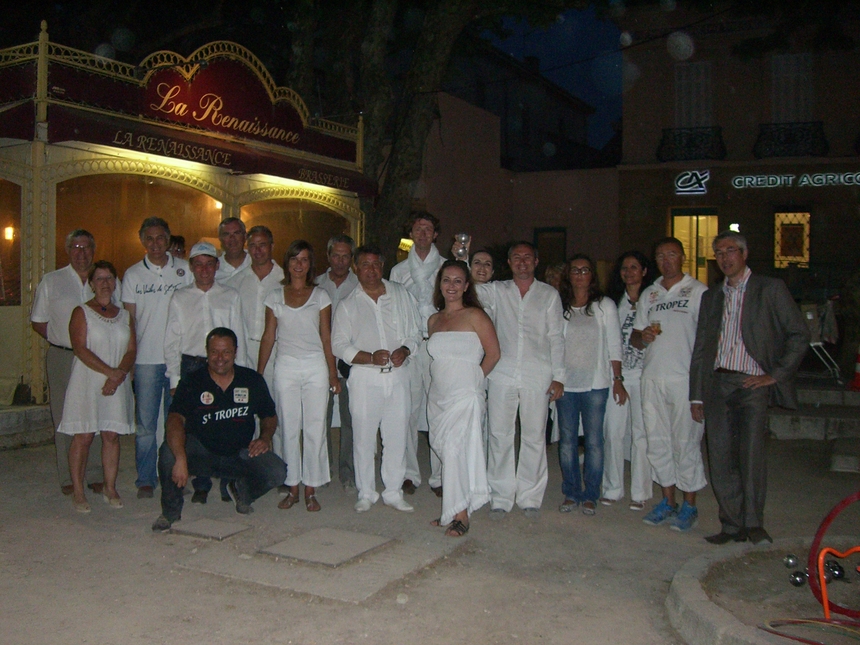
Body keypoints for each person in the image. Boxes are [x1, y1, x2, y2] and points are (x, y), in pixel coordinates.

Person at [690, 231, 809, 545]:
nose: (724, 257)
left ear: (744, 253)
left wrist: (774, 375)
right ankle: (730, 525)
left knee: (751, 456)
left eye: (730, 250)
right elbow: (702, 347)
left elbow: (798, 334)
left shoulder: (769, 289)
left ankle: (754, 524)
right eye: (718, 252)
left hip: (751, 383)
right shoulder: (712, 296)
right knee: (719, 456)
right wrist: (697, 393)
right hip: (718, 383)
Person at [152, 328, 286, 531]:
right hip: (200, 453)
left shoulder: (251, 380)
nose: (220, 358)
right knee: (168, 453)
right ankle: (170, 512)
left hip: (239, 453)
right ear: (207, 351)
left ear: (235, 352)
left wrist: (265, 438)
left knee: (277, 470)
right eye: (214, 352)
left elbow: (269, 415)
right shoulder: (192, 380)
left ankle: (241, 491)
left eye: (226, 352)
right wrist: (181, 457)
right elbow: (174, 419)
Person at [477, 242, 565, 518]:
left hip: (537, 374)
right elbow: (471, 288)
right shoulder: (498, 290)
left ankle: (530, 496)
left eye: (528, 257)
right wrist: (463, 257)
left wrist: (559, 376)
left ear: (536, 261)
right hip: (502, 372)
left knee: (534, 436)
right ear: (509, 261)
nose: (522, 262)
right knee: (499, 434)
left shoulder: (549, 294)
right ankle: (500, 496)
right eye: (517, 257)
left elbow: (556, 337)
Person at [331, 245, 421, 513]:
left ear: (382, 266)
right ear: (356, 269)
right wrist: (369, 357)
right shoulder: (348, 305)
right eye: (365, 264)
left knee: (396, 436)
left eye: (376, 264)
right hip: (364, 378)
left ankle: (393, 491)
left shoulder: (401, 296)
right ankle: (366, 492)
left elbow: (415, 333)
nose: (371, 269)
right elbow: (339, 345)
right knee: (364, 438)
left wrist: (405, 350)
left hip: (398, 376)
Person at [31, 229, 116, 495]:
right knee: (66, 416)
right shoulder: (52, 280)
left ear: (94, 249)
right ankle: (68, 477)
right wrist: (65, 341)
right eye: (76, 247)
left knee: (96, 414)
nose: (81, 252)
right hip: (64, 357)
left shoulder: (106, 279)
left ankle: (94, 474)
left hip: (101, 358)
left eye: (87, 247)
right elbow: (38, 321)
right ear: (68, 251)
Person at [631, 237, 708, 533]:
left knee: (685, 442)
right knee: (657, 440)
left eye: (672, 254)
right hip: (652, 378)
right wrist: (643, 337)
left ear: (683, 257)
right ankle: (668, 501)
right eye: (660, 255)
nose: (666, 260)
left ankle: (690, 505)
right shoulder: (649, 293)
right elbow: (636, 338)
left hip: (684, 379)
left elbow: (706, 338)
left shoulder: (697, 291)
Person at [163, 241, 247, 503]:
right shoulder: (180, 297)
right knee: (194, 428)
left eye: (209, 263)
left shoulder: (230, 295)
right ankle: (200, 483)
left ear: (216, 265)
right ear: (191, 267)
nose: (204, 269)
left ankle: (228, 482)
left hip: (224, 365)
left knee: (228, 423)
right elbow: (172, 341)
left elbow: (238, 336)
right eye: (198, 264)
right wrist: (175, 379)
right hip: (193, 365)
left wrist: (240, 373)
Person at [258, 240, 339, 512]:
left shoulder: (321, 296)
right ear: (287, 262)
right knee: (288, 428)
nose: (299, 264)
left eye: (304, 259)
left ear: (310, 264)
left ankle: (312, 488)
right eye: (294, 259)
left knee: (315, 428)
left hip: (315, 366)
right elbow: (269, 337)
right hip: (286, 367)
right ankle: (292, 486)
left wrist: (332, 374)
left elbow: (326, 338)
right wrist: (258, 374)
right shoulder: (274, 296)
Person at [426, 260, 500, 536]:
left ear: (467, 286)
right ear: (440, 284)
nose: (452, 286)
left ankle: (462, 516)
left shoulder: (476, 316)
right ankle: (451, 509)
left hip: (465, 394)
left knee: (458, 451)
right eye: (447, 280)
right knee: (446, 451)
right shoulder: (434, 320)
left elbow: (494, 354)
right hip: (439, 395)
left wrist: (474, 382)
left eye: (458, 281)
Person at [122, 217, 192, 498]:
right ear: (142, 241)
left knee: (177, 422)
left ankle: (176, 475)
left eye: (160, 238)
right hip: (146, 360)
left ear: (168, 238)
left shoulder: (184, 270)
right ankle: (146, 479)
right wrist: (129, 361)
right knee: (146, 426)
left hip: (178, 359)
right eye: (149, 239)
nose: (155, 244)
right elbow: (129, 321)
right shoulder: (133, 275)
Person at [58, 261, 136, 512]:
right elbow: (80, 348)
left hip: (117, 381)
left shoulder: (124, 314)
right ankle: (79, 491)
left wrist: (118, 375)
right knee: (84, 435)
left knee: (111, 435)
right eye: (99, 278)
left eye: (109, 278)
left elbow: (132, 349)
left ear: (116, 282)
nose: (105, 283)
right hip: (89, 381)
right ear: (91, 284)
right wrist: (109, 373)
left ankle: (110, 487)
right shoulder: (82, 312)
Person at [556, 255, 626, 516]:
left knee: (595, 441)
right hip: (566, 384)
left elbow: (614, 345)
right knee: (567, 441)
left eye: (585, 270)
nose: (580, 274)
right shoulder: (560, 306)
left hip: (596, 384)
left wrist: (617, 380)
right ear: (569, 275)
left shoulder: (604, 305)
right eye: (575, 270)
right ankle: (571, 492)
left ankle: (590, 494)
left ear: (592, 275)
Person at [389, 211, 446, 496]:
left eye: (428, 229)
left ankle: (439, 475)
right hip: (410, 344)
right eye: (418, 228)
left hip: (439, 342)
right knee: (408, 410)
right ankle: (410, 472)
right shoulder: (399, 272)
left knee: (437, 409)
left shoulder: (448, 267)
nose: (423, 233)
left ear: (436, 234)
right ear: (410, 233)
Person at [601, 251, 656, 511]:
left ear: (644, 271)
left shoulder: (653, 300)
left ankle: (640, 491)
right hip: (618, 376)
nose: (629, 272)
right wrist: (615, 377)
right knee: (612, 431)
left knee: (640, 434)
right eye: (624, 268)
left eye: (635, 267)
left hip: (645, 376)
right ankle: (612, 488)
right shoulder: (612, 302)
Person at [315, 234, 359, 491]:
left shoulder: (359, 285)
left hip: (349, 362)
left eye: (345, 256)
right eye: (336, 255)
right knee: (319, 417)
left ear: (351, 258)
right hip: (319, 360)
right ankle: (321, 468)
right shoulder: (317, 284)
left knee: (349, 418)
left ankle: (347, 471)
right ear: (328, 256)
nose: (340, 261)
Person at [225, 225, 284, 391]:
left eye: (262, 245)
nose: (257, 250)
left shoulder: (285, 280)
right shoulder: (235, 282)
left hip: (277, 352)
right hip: (243, 352)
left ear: (272, 246)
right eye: (252, 246)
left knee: (276, 407)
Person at [214, 217, 251, 282]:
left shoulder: (257, 263)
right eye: (227, 234)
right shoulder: (213, 268)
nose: (232, 238)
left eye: (236, 233)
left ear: (245, 236)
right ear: (220, 238)